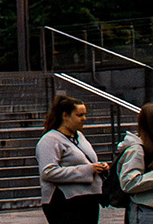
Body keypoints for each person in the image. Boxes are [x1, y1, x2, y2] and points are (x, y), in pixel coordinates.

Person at [37, 94, 112, 224]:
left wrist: (99, 167)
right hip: (65, 201)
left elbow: (87, 161)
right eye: (79, 115)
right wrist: (88, 170)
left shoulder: (80, 136)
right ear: (65, 115)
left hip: (88, 198)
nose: (84, 118)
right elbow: (48, 172)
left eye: (84, 114)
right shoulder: (50, 140)